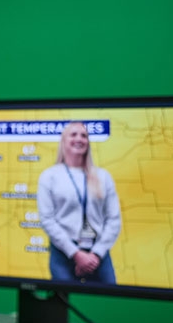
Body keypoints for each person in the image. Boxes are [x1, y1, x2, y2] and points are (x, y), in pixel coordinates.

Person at [37, 121, 122, 284]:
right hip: (63, 253)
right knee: (60, 305)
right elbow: (47, 219)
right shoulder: (49, 176)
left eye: (84, 135)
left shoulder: (103, 177)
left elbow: (114, 219)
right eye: (74, 134)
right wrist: (76, 254)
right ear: (63, 141)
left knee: (110, 301)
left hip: (98, 253)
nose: (79, 139)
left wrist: (95, 254)